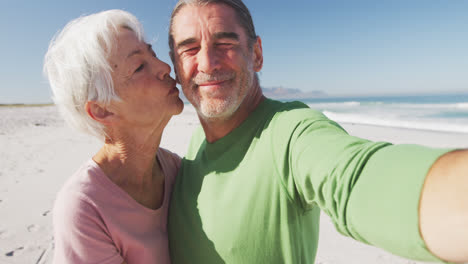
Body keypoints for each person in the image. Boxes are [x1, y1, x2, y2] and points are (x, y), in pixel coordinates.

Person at [166, 0, 468, 263]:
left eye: (225, 44)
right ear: (177, 68)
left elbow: (353, 177)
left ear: (256, 54)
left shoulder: (290, 132)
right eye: (190, 49)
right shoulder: (193, 149)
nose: (207, 62)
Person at [43, 10, 184, 264]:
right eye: (140, 66)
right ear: (102, 109)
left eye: (153, 54)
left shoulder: (176, 170)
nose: (165, 68)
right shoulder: (84, 208)